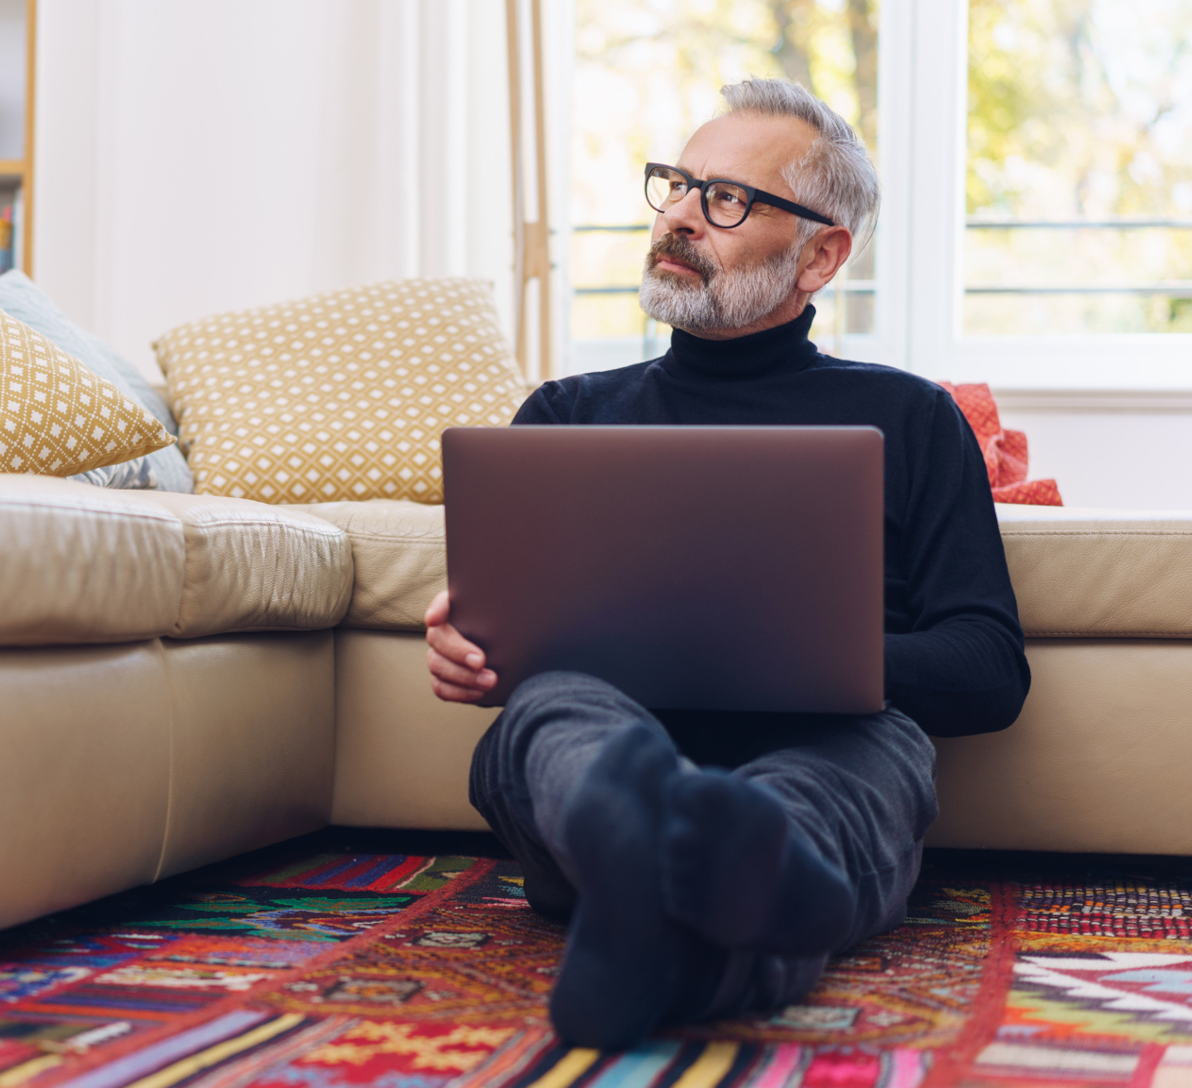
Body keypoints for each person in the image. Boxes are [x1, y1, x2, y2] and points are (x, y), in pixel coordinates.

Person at [424, 78, 1030, 1049]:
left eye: (723, 198)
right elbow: (510, 650)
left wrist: (802, 652)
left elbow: (987, 668)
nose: (675, 215)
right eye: (674, 184)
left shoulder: (912, 418)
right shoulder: (562, 417)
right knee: (555, 707)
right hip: (605, 746)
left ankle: (668, 904)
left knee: (873, 753)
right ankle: (694, 866)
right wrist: (469, 643)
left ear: (820, 253)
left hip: (830, 747)